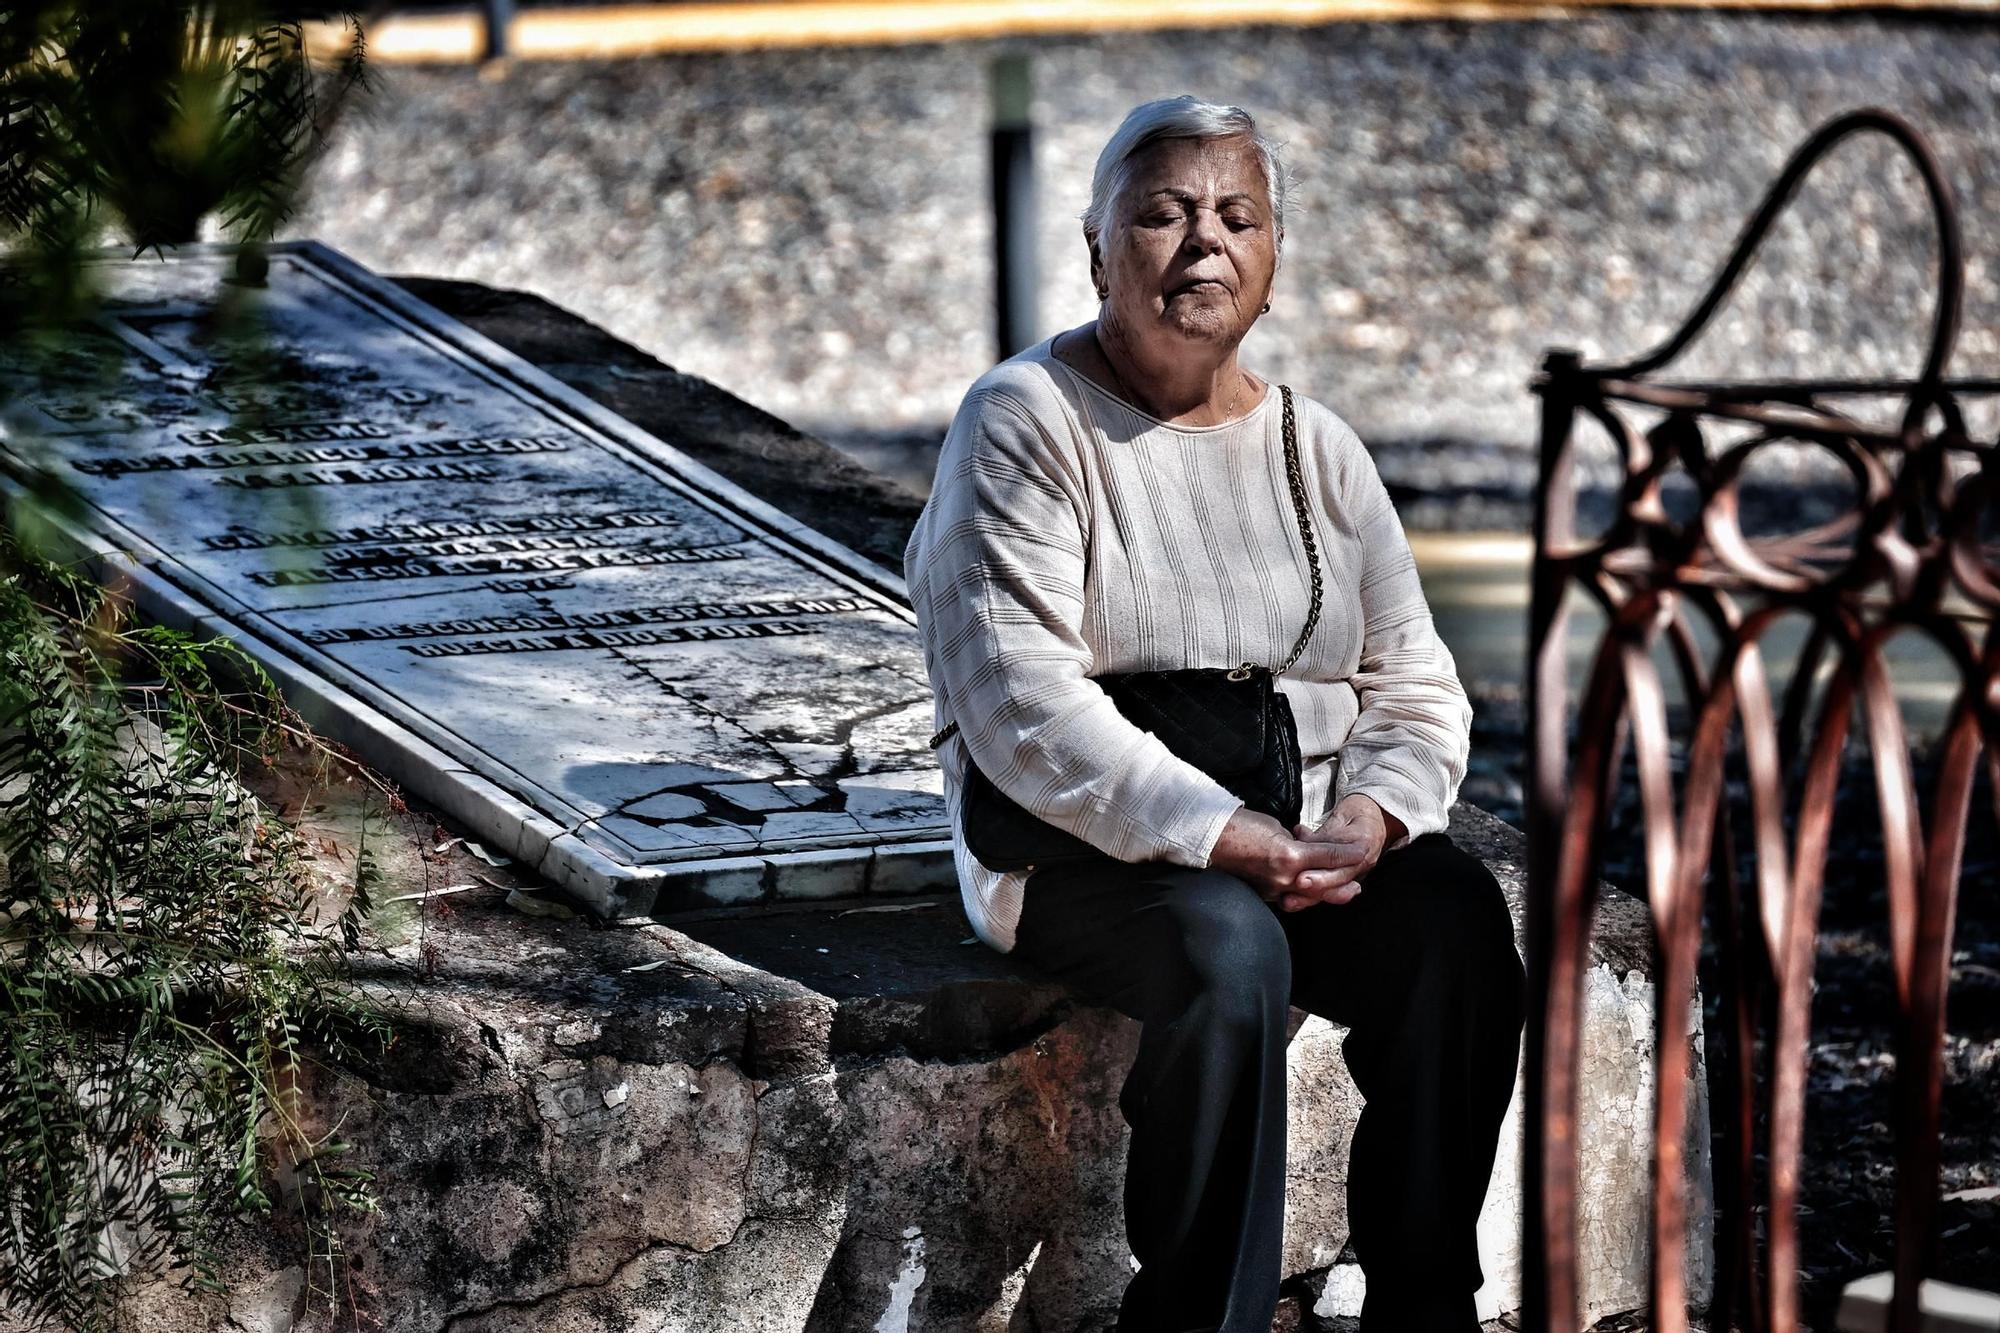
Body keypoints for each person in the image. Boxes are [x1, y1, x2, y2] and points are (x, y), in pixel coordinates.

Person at [902, 94, 1525, 1333]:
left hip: (1291, 829)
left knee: (1451, 919)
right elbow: (1021, 704)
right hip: (1074, 848)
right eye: (1163, 215)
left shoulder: (1316, 447)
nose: (1205, 244)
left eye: (1238, 218)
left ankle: (1423, 1304)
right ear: (1097, 250)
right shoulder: (1023, 419)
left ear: (1272, 261)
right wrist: (1223, 837)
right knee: (1227, 951)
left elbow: (1412, 682)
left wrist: (1371, 816)